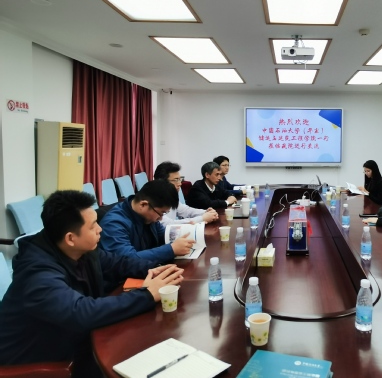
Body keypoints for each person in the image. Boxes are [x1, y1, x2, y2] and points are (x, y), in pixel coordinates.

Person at [0, 190, 184, 377]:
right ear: (70, 238)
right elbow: (80, 311)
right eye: (93, 225)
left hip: (76, 340)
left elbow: (118, 263)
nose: (100, 229)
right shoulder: (37, 273)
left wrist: (156, 269)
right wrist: (147, 295)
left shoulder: (81, 249)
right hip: (42, 362)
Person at [99, 180, 195, 264]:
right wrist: (171, 250)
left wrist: (184, 232)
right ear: (143, 204)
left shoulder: (149, 217)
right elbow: (126, 260)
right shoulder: (114, 223)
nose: (161, 218)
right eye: (161, 213)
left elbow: (164, 236)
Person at [154, 161, 219, 225]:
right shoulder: (154, 199)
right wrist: (202, 218)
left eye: (180, 179)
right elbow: (168, 224)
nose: (180, 184)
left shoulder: (170, 197)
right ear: (162, 182)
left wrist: (206, 212)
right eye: (176, 180)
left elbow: (186, 211)